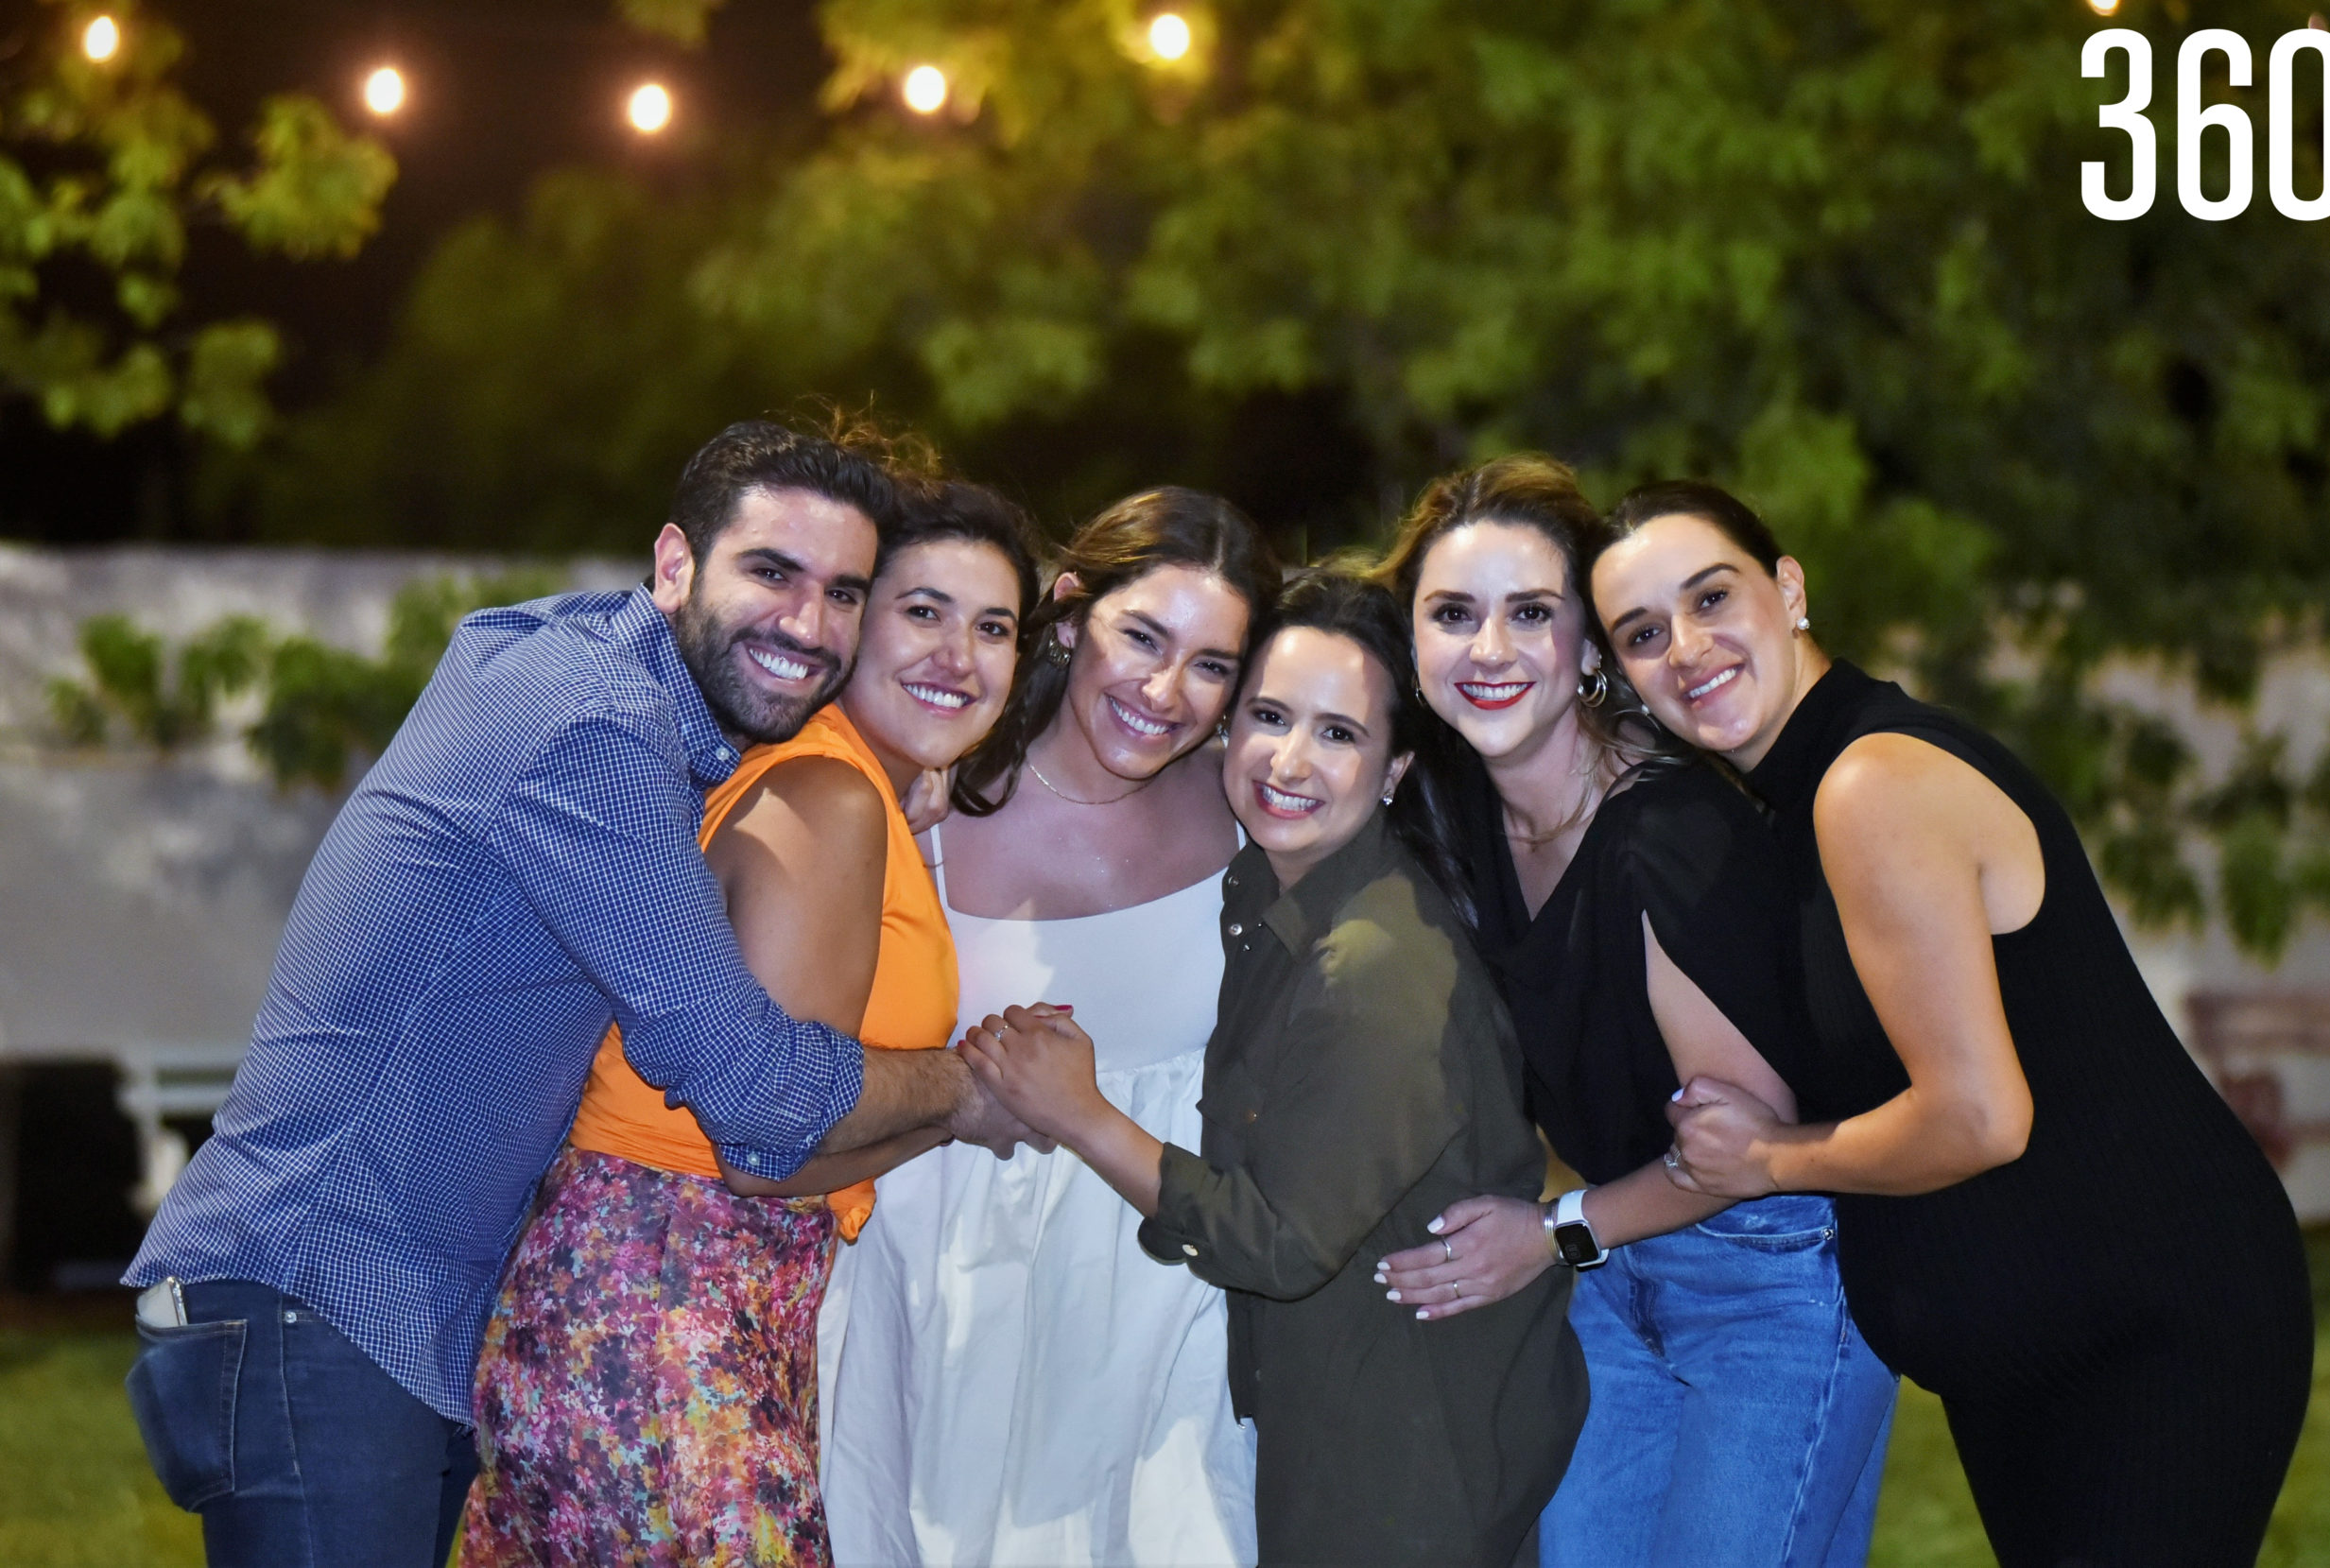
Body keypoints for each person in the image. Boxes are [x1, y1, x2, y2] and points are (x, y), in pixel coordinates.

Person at [120, 422, 1030, 1568]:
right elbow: (751, 1088)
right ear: (673, 564)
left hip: (398, 1316)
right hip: (318, 1291)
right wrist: (977, 1083)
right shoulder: (594, 734)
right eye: (771, 572)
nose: (808, 623)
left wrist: (904, 774)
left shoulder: (604, 679)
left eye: (843, 593)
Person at [1592, 479, 2313, 1567]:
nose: (1686, 647)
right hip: (2029, 1353)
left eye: (1711, 598)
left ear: (1788, 590)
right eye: (1644, 632)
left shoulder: (1870, 782)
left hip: (2151, 1328)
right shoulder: (1788, 810)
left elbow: (1977, 1116)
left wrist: (1770, 1158)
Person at [459, 481, 1041, 1566]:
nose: (959, 655)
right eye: (921, 611)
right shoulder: (827, 798)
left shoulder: (838, 782)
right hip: (670, 1306)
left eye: (993, 626)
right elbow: (769, 1152)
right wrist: (975, 1101)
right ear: (853, 625)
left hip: (649, 1299)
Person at [964, 569, 1587, 1568]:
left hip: (1405, 1445)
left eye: (1338, 734)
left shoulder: (1376, 963)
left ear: (1392, 770)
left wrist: (1082, 1115)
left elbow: (1280, 1241)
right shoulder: (1263, 887)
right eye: (1266, 716)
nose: (1288, 760)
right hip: (1319, 1409)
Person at [1366, 457, 1897, 1568]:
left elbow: (1737, 1150)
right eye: (1452, 615)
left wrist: (1550, 1233)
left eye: (1531, 614)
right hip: (1614, 1277)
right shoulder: (1452, 809)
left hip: (1766, 1283)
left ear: (1589, 647)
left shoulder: (1667, 831)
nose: (1490, 650)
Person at [820, 488, 1282, 1568]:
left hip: (1165, 1315)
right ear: (1069, 616)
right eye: (1141, 638)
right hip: (938, 1307)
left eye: (1212, 666)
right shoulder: (921, 805)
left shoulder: (1257, 811)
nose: (1166, 692)